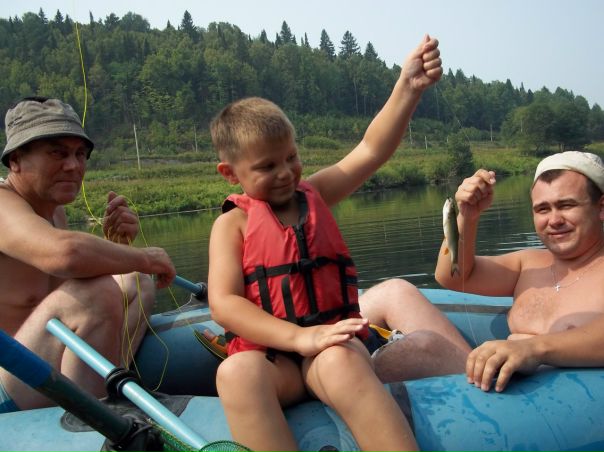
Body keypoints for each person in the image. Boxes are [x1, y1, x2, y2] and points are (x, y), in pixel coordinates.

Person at [207, 35, 442, 452]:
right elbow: (224, 304)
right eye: (267, 166)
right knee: (234, 374)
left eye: (291, 158)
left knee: (339, 360)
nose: (285, 172)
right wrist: (299, 338)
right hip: (275, 362)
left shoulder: (314, 193)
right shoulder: (232, 225)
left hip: (329, 352)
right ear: (230, 173)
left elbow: (370, 150)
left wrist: (407, 88)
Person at [371, 150, 604, 394]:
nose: (554, 220)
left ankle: (353, 386)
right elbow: (453, 276)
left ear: (601, 207)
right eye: (542, 209)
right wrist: (467, 216)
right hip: (489, 385)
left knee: (411, 352)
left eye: (566, 205)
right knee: (392, 293)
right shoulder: (529, 263)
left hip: (555, 398)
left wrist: (533, 348)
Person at [0, 97, 176, 414]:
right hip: (8, 383)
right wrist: (146, 257)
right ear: (15, 160)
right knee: (97, 295)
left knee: (136, 282)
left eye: (80, 154)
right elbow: (65, 254)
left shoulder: (54, 213)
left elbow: (62, 283)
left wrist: (115, 246)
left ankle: (109, 389)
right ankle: (93, 423)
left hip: (43, 369)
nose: (73, 165)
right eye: (57, 153)